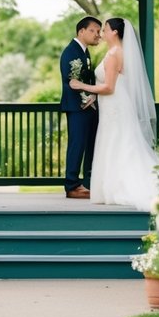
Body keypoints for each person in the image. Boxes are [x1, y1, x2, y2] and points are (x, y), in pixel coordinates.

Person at [69, 17, 159, 209]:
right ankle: (114, 186)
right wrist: (94, 96)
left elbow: (109, 87)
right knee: (119, 143)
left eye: (105, 29)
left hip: (115, 106)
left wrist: (81, 85)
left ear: (115, 32)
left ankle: (121, 187)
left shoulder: (113, 54)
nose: (101, 33)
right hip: (114, 105)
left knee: (117, 143)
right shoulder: (117, 52)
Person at [59, 16, 101, 199]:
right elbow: (72, 82)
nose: (97, 35)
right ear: (81, 31)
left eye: (99, 31)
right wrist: (88, 98)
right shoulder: (71, 52)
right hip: (78, 107)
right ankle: (72, 185)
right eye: (93, 30)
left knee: (88, 144)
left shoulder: (84, 52)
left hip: (87, 107)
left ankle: (84, 183)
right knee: (77, 144)